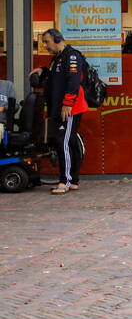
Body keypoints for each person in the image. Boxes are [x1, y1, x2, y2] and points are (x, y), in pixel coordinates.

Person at [30, 29, 88, 195]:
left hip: (69, 109)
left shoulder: (71, 56)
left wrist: (67, 104)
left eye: (47, 42)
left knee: (63, 143)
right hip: (60, 108)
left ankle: (66, 181)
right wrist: (43, 70)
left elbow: (73, 80)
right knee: (67, 143)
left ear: (57, 39)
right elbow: (58, 76)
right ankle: (73, 180)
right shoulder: (58, 58)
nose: (45, 46)